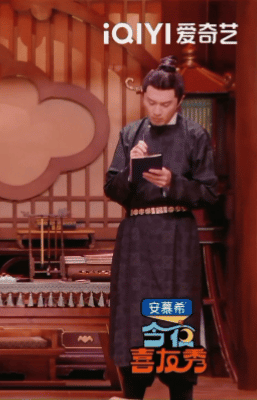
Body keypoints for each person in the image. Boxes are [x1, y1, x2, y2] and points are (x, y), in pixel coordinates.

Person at [104, 56, 219, 400]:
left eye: (165, 104)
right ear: (144, 96)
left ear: (179, 101)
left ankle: (180, 391)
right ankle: (132, 391)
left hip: (176, 235)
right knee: (133, 315)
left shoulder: (195, 135)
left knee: (175, 312)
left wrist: (173, 182)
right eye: (151, 102)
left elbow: (209, 193)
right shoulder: (131, 134)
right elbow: (112, 190)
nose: (156, 110)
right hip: (136, 236)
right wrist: (132, 170)